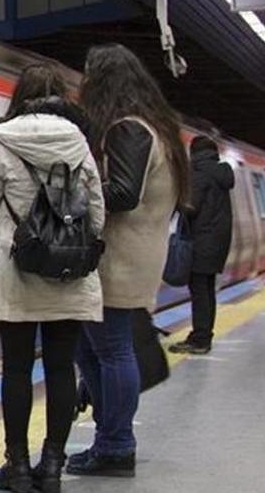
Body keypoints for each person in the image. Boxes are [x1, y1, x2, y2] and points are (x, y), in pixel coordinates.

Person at [0, 64, 105, 493]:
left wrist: (1, 249)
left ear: (20, 96)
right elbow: (98, 215)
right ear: (61, 97)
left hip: (16, 272)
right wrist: (72, 244)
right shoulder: (79, 144)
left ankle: (18, 467)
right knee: (61, 367)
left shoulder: (1, 142)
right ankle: (52, 467)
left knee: (17, 369)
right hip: (68, 273)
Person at [70, 44, 189, 478]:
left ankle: (117, 445)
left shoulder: (128, 129)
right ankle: (109, 439)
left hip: (120, 259)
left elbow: (122, 193)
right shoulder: (157, 128)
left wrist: (74, 198)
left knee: (111, 350)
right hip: (135, 254)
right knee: (93, 348)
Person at [170, 135, 234, 354]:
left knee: (199, 292)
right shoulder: (220, 173)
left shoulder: (199, 173)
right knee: (206, 291)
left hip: (201, 242)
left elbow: (190, 206)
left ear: (193, 152)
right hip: (216, 243)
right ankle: (204, 335)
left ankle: (200, 340)